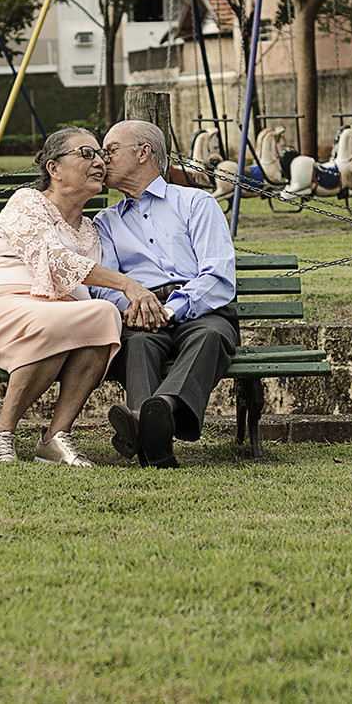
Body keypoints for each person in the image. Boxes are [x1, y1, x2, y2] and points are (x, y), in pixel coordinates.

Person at [0, 126, 165, 466]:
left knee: (103, 315)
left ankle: (55, 437)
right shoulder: (27, 202)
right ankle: (1, 433)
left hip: (56, 317)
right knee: (60, 320)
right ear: (53, 169)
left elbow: (93, 292)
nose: (99, 161)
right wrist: (129, 286)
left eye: (101, 154)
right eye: (86, 154)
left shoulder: (91, 230)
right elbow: (54, 260)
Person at [90, 120, 239, 469]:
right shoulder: (105, 222)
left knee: (211, 336)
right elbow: (102, 285)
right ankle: (155, 436)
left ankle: (151, 414)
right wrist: (132, 307)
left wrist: (170, 308)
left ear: (144, 153)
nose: (101, 159)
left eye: (110, 150)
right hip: (138, 313)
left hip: (200, 307)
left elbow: (218, 275)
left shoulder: (196, 203)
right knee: (137, 343)